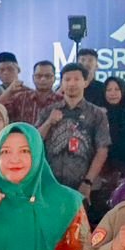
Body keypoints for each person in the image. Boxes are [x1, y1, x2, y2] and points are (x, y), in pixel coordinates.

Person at [36, 63, 111, 207]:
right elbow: (34, 141)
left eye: (76, 79)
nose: (71, 84)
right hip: (50, 184)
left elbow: (102, 150)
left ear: (85, 82)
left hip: (83, 185)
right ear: (61, 83)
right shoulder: (48, 111)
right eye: (67, 79)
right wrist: (49, 122)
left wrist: (88, 182)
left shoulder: (97, 114)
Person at [0, 60, 62, 127]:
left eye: (47, 76)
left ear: (54, 78)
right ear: (33, 78)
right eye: (38, 76)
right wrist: (9, 91)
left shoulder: (61, 101)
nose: (43, 79)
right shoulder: (20, 98)